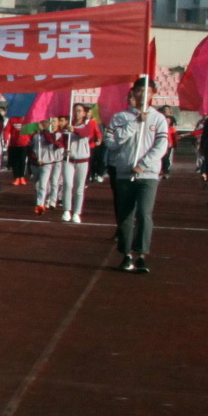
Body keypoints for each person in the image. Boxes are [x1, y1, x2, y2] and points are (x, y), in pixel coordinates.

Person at [104, 78, 170, 273]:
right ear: (133, 93)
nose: (143, 95)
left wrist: (143, 164)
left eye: (147, 91)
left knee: (144, 213)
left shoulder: (158, 118)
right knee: (125, 216)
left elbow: (161, 146)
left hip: (147, 174)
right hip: (124, 173)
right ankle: (126, 255)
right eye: (140, 90)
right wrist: (134, 124)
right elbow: (111, 143)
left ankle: (141, 254)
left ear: (153, 94)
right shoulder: (120, 118)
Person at [59, 102, 98, 223]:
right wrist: (64, 147)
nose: (77, 113)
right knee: (67, 184)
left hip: (82, 160)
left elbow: (84, 134)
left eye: (80, 111)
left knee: (79, 188)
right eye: (75, 110)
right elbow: (61, 140)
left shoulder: (88, 125)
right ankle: (66, 210)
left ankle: (76, 212)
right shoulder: (67, 126)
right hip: (69, 160)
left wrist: (74, 129)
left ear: (85, 113)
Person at [31, 114, 66, 215]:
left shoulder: (61, 134)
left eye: (54, 121)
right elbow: (33, 149)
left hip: (57, 162)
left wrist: (46, 133)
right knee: (43, 184)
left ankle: (53, 200)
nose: (52, 124)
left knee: (55, 182)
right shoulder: (37, 136)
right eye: (49, 121)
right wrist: (36, 157)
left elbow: (55, 143)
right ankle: (40, 204)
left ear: (59, 123)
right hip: (45, 163)